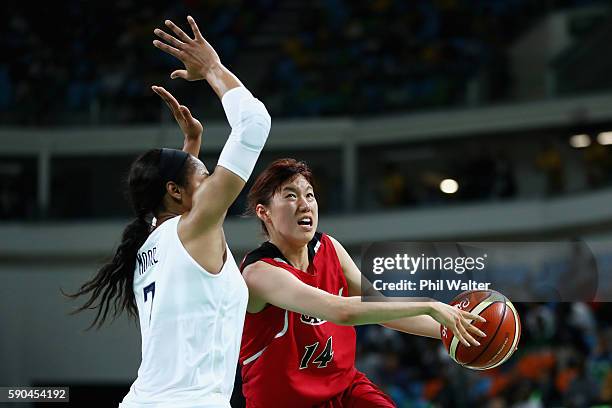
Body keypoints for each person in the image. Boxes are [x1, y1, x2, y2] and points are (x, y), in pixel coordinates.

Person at [65, 16, 271, 408]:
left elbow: (174, 204)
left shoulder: (149, 239)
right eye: (207, 177)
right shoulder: (191, 229)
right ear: (175, 192)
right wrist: (213, 67)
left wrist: (189, 147)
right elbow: (255, 123)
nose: (215, 186)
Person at [239, 158, 486, 407]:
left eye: (310, 195)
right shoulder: (259, 273)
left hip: (344, 391)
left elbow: (383, 309)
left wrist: (459, 333)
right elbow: (342, 311)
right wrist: (429, 305)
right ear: (264, 212)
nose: (305, 205)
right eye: (291, 196)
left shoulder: (330, 248)